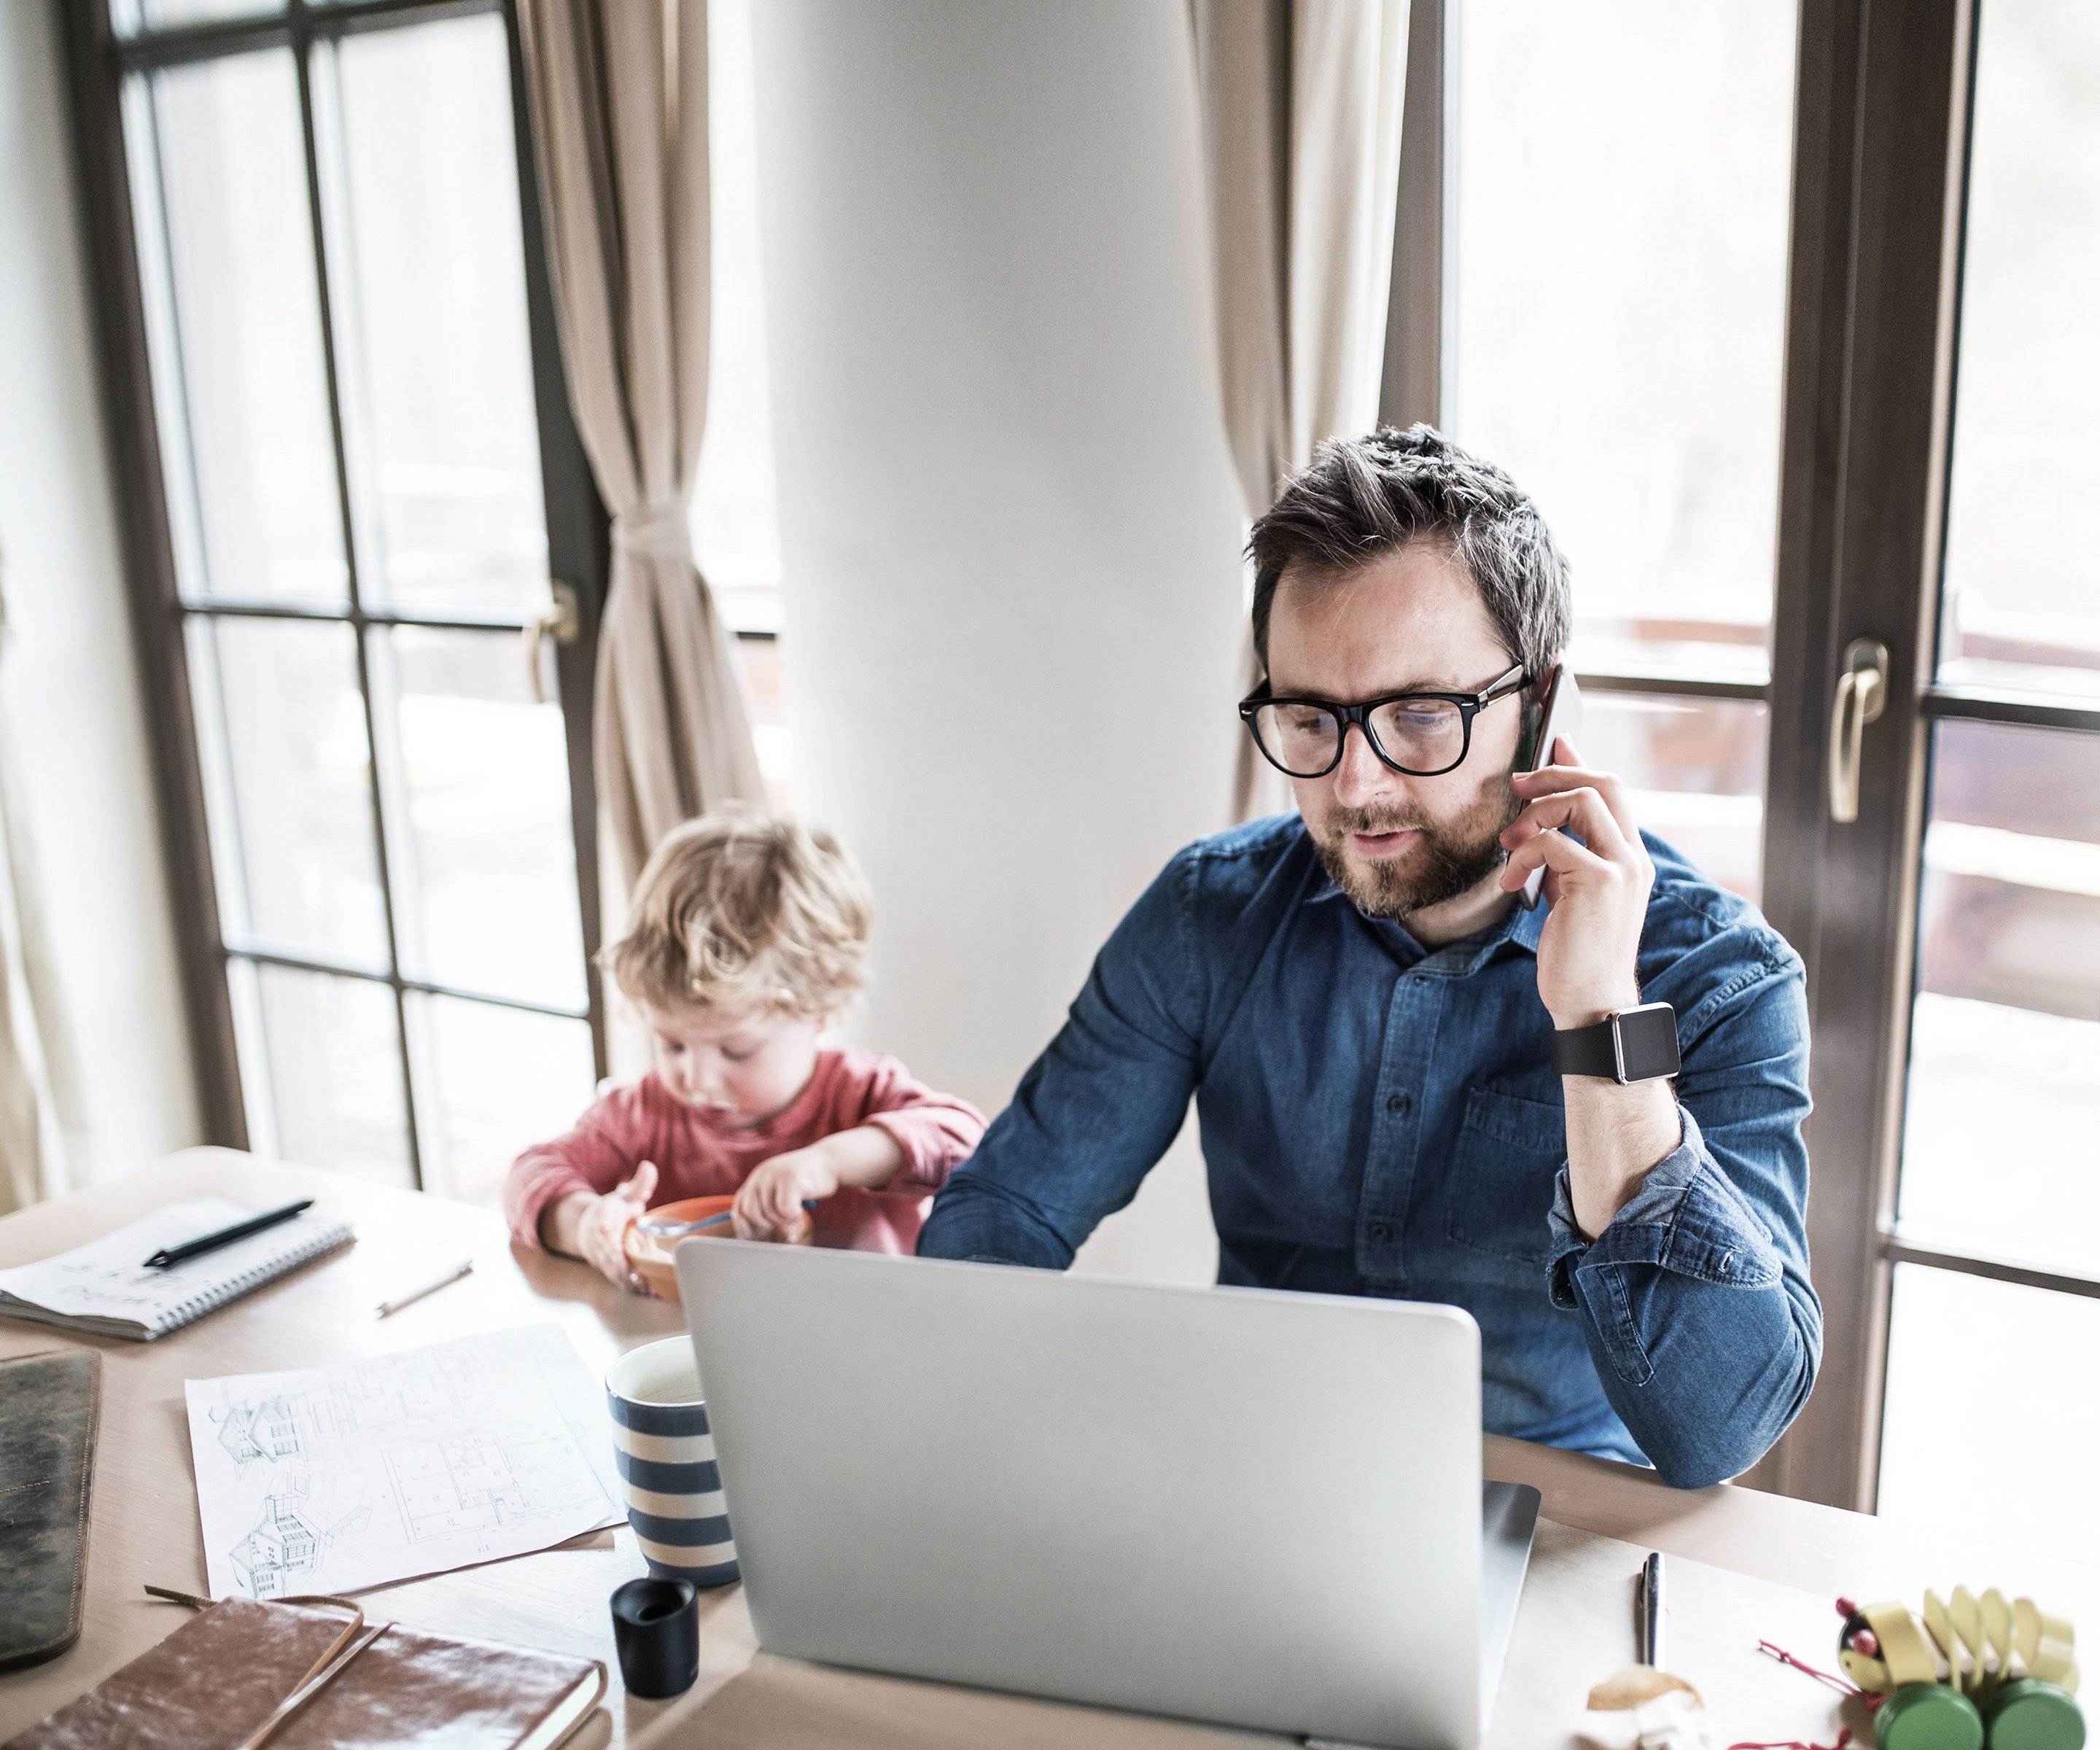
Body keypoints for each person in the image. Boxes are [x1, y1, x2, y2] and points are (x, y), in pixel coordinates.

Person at [919, 426, 1819, 1489]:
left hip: (1555, 1516)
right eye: (1309, 719)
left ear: (1541, 707)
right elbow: (1011, 1212)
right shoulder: (1208, 918)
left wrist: (1596, 1018)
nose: (1353, 786)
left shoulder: (1719, 977)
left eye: (1422, 716)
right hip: (1249, 1485)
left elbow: (1720, 1428)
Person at [507, 807, 986, 1293]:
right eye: (672, 1044)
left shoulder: (858, 1093)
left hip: (869, 1343)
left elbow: (968, 1142)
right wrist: (587, 1224)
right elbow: (531, 1175)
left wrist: (830, 1162)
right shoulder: (643, 1115)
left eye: (736, 1051)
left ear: (824, 1007)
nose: (696, 1078)